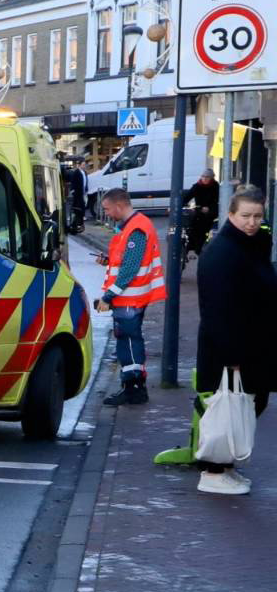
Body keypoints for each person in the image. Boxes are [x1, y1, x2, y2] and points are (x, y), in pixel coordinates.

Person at [157, 188, 276, 493]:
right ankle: (213, 471)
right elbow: (216, 310)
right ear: (231, 214)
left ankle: (225, 467)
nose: (252, 222)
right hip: (231, 350)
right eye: (246, 216)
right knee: (229, 409)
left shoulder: (250, 245)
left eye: (257, 216)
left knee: (247, 405)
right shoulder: (223, 252)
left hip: (252, 346)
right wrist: (232, 356)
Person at [96, 188, 168, 405]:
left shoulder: (136, 229)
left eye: (107, 209)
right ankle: (135, 387)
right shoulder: (136, 225)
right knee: (130, 340)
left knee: (128, 342)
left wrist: (108, 297)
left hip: (129, 299)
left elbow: (129, 269)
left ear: (119, 206)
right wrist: (108, 261)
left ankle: (133, 389)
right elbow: (127, 261)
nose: (106, 213)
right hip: (133, 298)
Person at [180, 169, 219, 256]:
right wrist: (178, 205)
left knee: (205, 230)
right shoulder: (197, 186)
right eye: (203, 176)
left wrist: (210, 208)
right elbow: (187, 197)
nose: (204, 179)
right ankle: (191, 248)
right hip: (199, 211)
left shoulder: (216, 187)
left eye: (207, 177)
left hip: (211, 213)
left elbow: (218, 201)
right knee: (193, 227)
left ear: (212, 178)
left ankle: (200, 250)